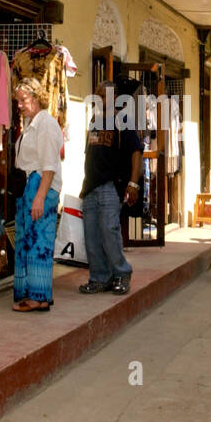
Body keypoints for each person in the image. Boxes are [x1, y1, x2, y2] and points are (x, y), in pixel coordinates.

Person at [79, 79, 142, 295]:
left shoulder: (122, 120)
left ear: (114, 98)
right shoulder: (94, 121)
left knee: (109, 231)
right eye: (97, 94)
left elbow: (136, 152)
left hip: (110, 186)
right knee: (92, 235)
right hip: (90, 187)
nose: (100, 98)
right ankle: (99, 277)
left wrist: (133, 183)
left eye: (104, 95)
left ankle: (122, 274)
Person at [10, 78, 63, 311]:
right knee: (25, 241)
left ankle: (39, 297)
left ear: (36, 97)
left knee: (38, 242)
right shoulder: (30, 125)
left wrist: (39, 197)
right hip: (28, 187)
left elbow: (49, 166)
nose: (20, 105)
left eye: (24, 100)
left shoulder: (46, 124)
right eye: (17, 101)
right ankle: (30, 293)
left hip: (40, 186)